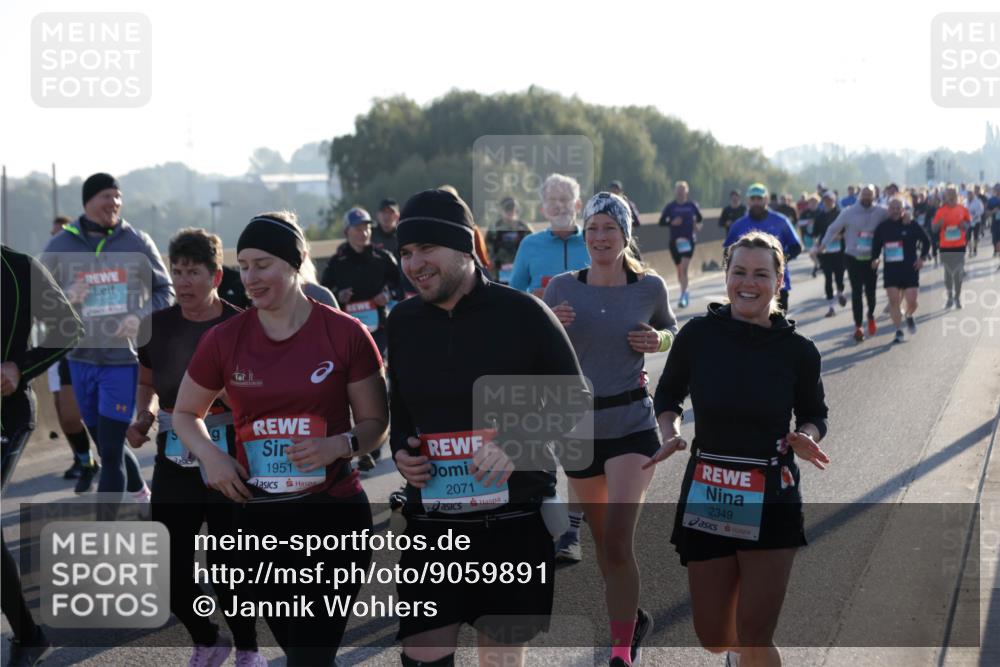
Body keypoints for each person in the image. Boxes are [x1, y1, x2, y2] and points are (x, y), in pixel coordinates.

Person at [172, 212, 388, 666]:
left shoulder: (344, 333)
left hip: (332, 517)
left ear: (296, 262)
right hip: (256, 522)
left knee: (309, 655)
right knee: (301, 652)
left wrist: (339, 445)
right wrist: (211, 457)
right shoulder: (224, 339)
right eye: (244, 265)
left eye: (263, 264)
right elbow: (185, 414)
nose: (250, 277)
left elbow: (374, 424)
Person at [388, 188, 590, 667]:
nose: (414, 264)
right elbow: (402, 409)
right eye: (406, 253)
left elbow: (576, 397)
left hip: (513, 523)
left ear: (463, 248)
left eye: (425, 250)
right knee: (421, 657)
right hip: (434, 523)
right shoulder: (403, 321)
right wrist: (402, 453)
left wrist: (519, 444)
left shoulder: (524, 313)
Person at [646, 231, 830, 667]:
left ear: (779, 280)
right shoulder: (698, 336)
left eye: (761, 274)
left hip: (772, 492)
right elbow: (667, 395)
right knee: (714, 635)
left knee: (756, 634)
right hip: (710, 486)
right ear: (726, 274)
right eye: (740, 272)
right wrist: (668, 430)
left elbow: (815, 414)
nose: (749, 282)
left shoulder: (799, 351)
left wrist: (807, 435)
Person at [543, 192, 677, 666]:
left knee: (618, 539)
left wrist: (657, 338)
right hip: (578, 430)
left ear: (626, 235)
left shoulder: (649, 286)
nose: (600, 237)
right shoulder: (561, 287)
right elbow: (538, 354)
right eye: (593, 228)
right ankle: (633, 618)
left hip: (632, 424)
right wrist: (549, 325)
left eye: (609, 228)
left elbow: (671, 333)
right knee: (605, 549)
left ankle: (621, 652)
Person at [124, 228, 263, 667]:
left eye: (193, 273)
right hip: (175, 450)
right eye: (177, 271)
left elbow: (263, 389)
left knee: (229, 563)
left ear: (216, 275)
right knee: (167, 565)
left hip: (228, 454)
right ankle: (207, 638)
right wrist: (142, 414)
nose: (183, 282)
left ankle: (248, 649)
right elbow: (147, 380)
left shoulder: (242, 325)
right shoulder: (157, 326)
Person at [40, 173, 173, 498]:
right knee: (104, 441)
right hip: (79, 361)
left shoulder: (137, 241)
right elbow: (37, 300)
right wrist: (66, 297)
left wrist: (139, 317)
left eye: (117, 196)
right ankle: (141, 492)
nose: (113, 202)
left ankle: (106, 527)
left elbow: (165, 290)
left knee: (111, 450)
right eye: (106, 196)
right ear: (88, 202)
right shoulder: (60, 245)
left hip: (121, 360)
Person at [2, 244, 83, 667]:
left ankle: (29, 635)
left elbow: (67, 327)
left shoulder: (19, 269)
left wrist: (19, 367)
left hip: (6, 418)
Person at [47, 215, 99, 490]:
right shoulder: (47, 269)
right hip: (65, 348)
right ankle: (85, 460)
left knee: (105, 427)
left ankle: (134, 489)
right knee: (67, 416)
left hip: (102, 352)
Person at [321, 206, 403, 357]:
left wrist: (389, 295)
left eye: (367, 228)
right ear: (347, 231)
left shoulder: (383, 258)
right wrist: (338, 296)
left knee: (378, 365)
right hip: (347, 329)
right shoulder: (336, 262)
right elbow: (323, 294)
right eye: (358, 229)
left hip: (379, 328)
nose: (364, 233)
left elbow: (401, 286)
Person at [817, 185, 889, 342]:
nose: (867, 198)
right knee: (856, 292)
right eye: (864, 195)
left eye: (870, 195)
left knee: (871, 292)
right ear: (859, 196)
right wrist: (823, 244)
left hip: (871, 258)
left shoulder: (881, 212)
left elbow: (897, 216)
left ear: (874, 196)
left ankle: (870, 315)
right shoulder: (849, 212)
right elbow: (833, 228)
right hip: (853, 256)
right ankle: (858, 326)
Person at [724, 183, 801, 314]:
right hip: (745, 286)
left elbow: (796, 247)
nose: (756, 202)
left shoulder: (781, 221)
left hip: (778, 284)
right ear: (748, 201)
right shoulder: (738, 225)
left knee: (777, 329)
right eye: (753, 199)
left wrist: (777, 263)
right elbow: (727, 252)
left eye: (759, 199)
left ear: (766, 200)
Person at [510, 173, 590, 297]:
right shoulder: (529, 244)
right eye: (552, 200)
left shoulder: (594, 242)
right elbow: (514, 294)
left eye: (564, 199)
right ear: (542, 209)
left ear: (578, 205)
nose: (559, 205)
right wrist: (534, 299)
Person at [871, 197, 932, 343]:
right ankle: (898, 330)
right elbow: (876, 246)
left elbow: (926, 241)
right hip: (891, 270)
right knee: (894, 301)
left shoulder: (910, 224)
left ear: (903, 209)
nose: (895, 210)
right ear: (888, 210)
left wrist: (922, 258)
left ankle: (909, 315)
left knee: (912, 301)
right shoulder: (883, 227)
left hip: (910, 268)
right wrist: (875, 258)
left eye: (898, 207)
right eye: (892, 208)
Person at [658, 181, 703, 308]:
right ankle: (685, 290)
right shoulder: (670, 207)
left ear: (686, 192)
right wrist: (671, 222)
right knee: (680, 270)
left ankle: (683, 294)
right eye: (678, 191)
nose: (680, 193)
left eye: (682, 191)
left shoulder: (692, 205)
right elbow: (661, 222)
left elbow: (699, 219)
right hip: (674, 242)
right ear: (675, 192)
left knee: (684, 268)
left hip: (688, 240)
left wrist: (696, 225)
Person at [932, 186, 972, 309]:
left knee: (958, 273)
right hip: (945, 246)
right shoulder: (940, 211)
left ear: (957, 195)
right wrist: (940, 223)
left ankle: (957, 297)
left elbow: (969, 224)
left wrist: (963, 225)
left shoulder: (963, 209)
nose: (951, 196)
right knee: (948, 273)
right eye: (949, 194)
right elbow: (934, 229)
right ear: (946, 197)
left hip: (959, 245)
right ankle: (950, 297)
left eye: (953, 194)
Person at [810, 191, 848, 318]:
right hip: (824, 251)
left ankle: (840, 292)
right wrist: (816, 246)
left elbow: (848, 230)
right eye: (825, 200)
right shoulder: (820, 216)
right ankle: (831, 307)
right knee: (828, 278)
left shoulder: (840, 214)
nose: (828, 202)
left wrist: (840, 236)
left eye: (830, 200)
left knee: (839, 276)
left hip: (840, 251)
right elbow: (815, 234)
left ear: (834, 200)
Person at [486, 197, 534, 285]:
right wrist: (491, 260)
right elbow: (487, 248)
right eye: (508, 209)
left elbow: (533, 246)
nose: (511, 212)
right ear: (501, 210)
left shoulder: (524, 227)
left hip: (520, 269)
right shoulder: (494, 228)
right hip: (499, 271)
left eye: (513, 209)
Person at [966, 189, 985, 258]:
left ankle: (975, 249)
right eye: (968, 194)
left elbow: (981, 210)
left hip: (976, 221)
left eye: (970, 194)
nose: (969, 196)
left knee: (975, 236)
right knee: (968, 237)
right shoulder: (966, 202)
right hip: (968, 222)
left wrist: (975, 215)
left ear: (973, 195)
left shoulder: (978, 201)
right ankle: (970, 250)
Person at [987, 184, 1000, 268]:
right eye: (997, 189)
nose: (998, 191)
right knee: (996, 243)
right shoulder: (991, 200)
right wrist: (993, 212)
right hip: (995, 225)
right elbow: (986, 213)